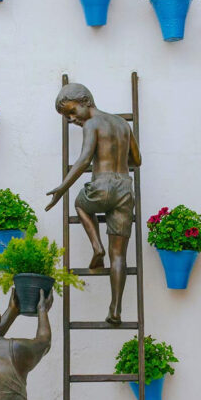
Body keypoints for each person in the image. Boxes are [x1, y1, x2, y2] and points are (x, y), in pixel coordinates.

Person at [46, 83, 141, 326]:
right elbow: (137, 160)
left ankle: (96, 247)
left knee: (79, 203)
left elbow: (84, 159)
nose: (71, 119)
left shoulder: (91, 124)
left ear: (86, 101)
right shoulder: (122, 123)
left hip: (102, 184)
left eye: (72, 111)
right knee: (119, 254)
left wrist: (61, 187)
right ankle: (116, 308)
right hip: (125, 188)